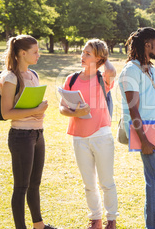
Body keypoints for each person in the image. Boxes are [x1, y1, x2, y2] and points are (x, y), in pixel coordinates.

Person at [0, 35, 58, 229]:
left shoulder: (33, 75)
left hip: (38, 134)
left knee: (35, 184)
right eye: (35, 52)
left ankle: (39, 225)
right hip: (21, 136)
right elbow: (6, 113)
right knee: (21, 186)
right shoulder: (11, 78)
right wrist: (36, 110)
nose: (39, 55)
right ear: (23, 53)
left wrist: (39, 109)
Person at [59, 39, 118, 229]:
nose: (83, 56)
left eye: (88, 54)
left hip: (101, 135)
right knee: (89, 183)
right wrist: (77, 112)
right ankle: (95, 218)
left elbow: (112, 71)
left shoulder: (103, 78)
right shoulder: (72, 79)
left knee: (106, 181)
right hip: (79, 136)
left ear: (99, 58)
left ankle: (111, 219)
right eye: (83, 52)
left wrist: (104, 58)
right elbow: (62, 108)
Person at [118, 27, 155, 229]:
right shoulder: (131, 70)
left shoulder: (150, 69)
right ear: (147, 44)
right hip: (147, 133)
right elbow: (134, 110)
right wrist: (144, 141)